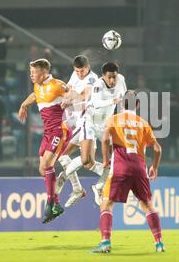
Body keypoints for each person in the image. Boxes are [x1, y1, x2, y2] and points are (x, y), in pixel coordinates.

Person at [91, 90, 164, 253]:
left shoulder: (114, 120)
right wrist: (155, 167)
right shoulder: (143, 123)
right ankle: (159, 243)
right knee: (147, 205)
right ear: (137, 105)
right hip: (139, 168)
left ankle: (105, 242)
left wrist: (105, 159)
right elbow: (157, 149)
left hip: (120, 168)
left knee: (107, 203)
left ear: (121, 103)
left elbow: (104, 140)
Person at [56, 61, 127, 207]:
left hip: (106, 126)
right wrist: (113, 100)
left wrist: (122, 117)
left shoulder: (121, 80)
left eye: (114, 77)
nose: (112, 80)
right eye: (109, 77)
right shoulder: (97, 85)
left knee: (115, 160)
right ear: (103, 76)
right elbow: (96, 103)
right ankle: (64, 176)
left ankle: (99, 186)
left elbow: (123, 100)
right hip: (90, 123)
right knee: (85, 159)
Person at [18, 58, 71, 224]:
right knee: (42, 169)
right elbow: (35, 95)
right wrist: (24, 105)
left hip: (59, 130)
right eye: (30, 72)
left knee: (47, 164)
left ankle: (50, 203)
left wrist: (69, 99)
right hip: (48, 132)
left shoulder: (57, 85)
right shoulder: (38, 86)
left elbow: (73, 93)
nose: (31, 75)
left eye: (34, 72)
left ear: (44, 72)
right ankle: (56, 204)